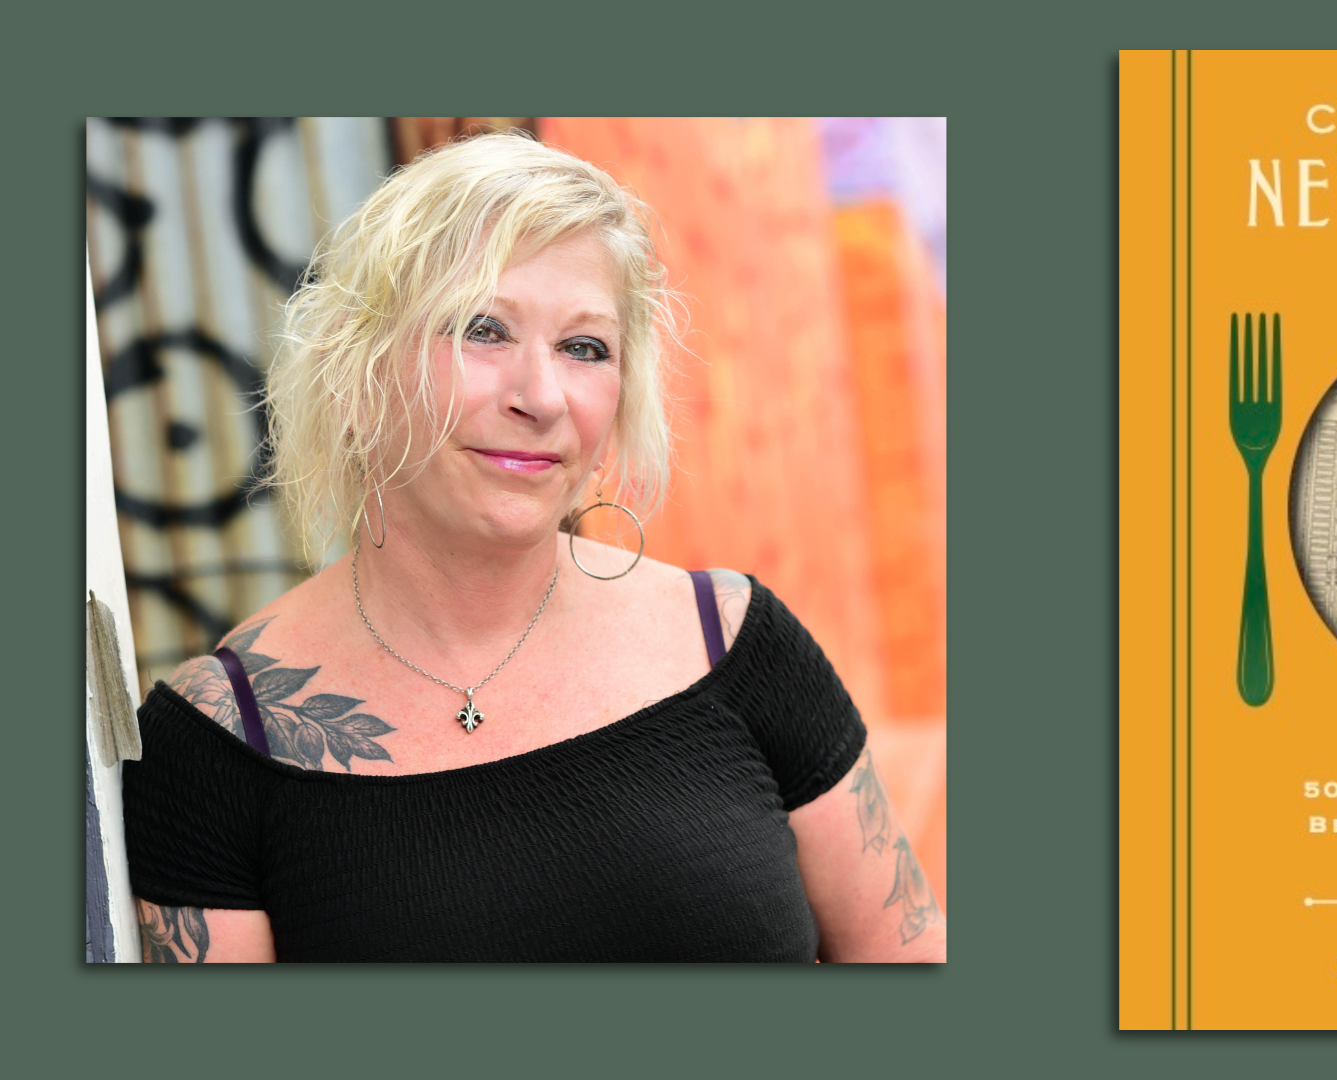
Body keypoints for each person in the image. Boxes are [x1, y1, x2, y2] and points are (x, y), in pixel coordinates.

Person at [119, 132, 944, 962]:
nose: (541, 396)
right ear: (355, 377)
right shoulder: (219, 743)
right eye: (483, 330)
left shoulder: (734, 643)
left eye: (584, 347)